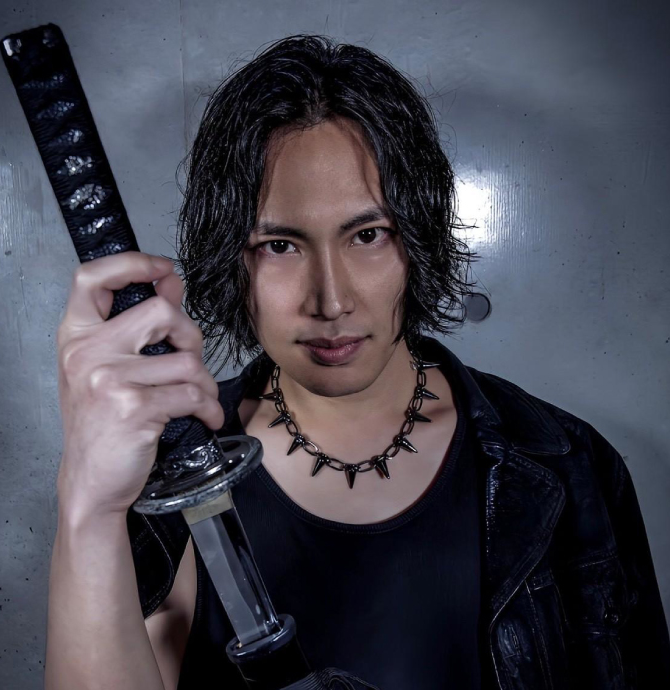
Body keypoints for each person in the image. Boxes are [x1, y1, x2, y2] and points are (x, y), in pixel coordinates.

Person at [45, 34, 670, 690]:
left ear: (417, 239)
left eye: (368, 235)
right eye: (280, 245)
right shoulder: (162, 478)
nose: (331, 300)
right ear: (229, 255)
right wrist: (88, 508)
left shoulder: (568, 466)